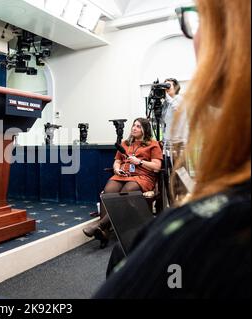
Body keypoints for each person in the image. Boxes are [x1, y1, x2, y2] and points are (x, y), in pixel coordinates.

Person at [95, 0, 250, 298]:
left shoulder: (204, 233)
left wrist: (135, 164)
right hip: (134, 175)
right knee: (112, 191)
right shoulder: (131, 139)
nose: (194, 39)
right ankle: (105, 227)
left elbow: (161, 155)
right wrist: (120, 164)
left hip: (145, 175)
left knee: (129, 204)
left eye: (202, 20)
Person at [83, 118, 163, 247]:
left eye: (138, 126)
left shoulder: (153, 144)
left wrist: (140, 162)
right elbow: (118, 161)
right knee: (108, 192)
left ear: (145, 130)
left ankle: (101, 225)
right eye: (133, 125)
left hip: (142, 176)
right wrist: (117, 169)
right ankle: (104, 232)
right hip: (123, 175)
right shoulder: (125, 143)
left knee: (127, 192)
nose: (134, 128)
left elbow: (157, 166)